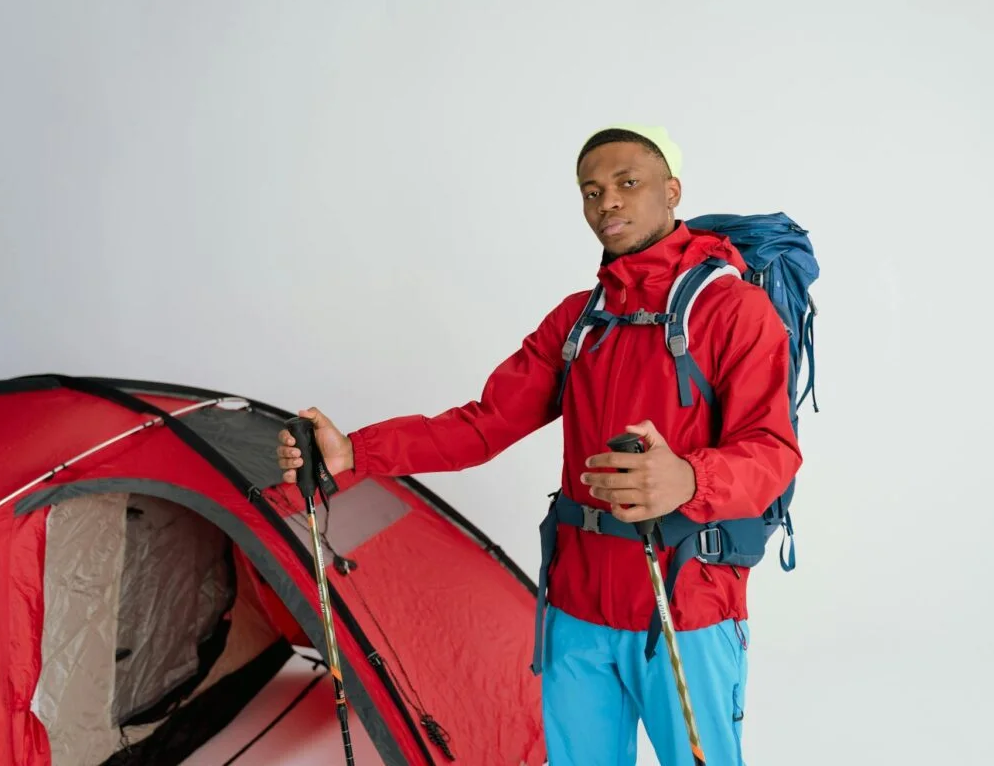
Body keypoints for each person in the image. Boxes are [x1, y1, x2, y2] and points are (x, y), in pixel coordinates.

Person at [276, 124, 802, 765]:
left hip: (687, 608)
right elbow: (483, 424)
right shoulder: (579, 319)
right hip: (577, 612)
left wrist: (689, 479)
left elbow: (773, 450)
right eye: (590, 191)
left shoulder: (734, 310)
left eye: (626, 183)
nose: (606, 202)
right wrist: (355, 450)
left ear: (672, 192)